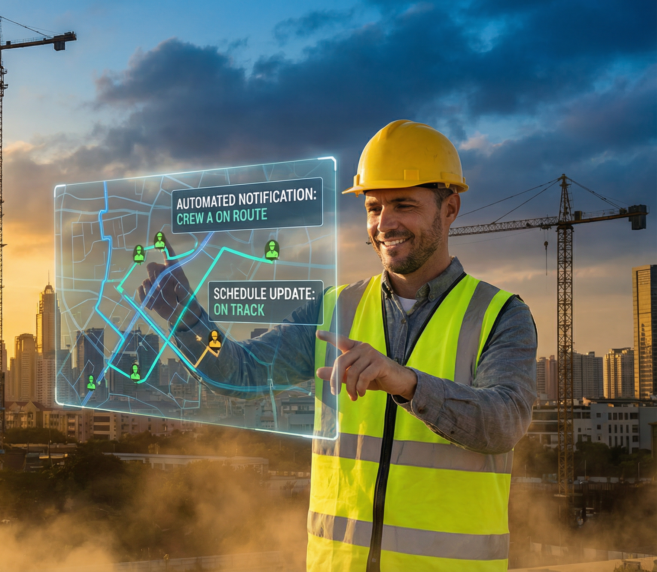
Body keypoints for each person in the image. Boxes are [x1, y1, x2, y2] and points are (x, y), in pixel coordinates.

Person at [136, 120, 537, 572]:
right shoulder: (333, 309)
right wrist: (189, 319)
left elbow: (504, 422)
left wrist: (406, 383)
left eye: (403, 205)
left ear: (450, 209)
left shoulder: (500, 314)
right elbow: (240, 375)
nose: (384, 224)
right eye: (373, 207)